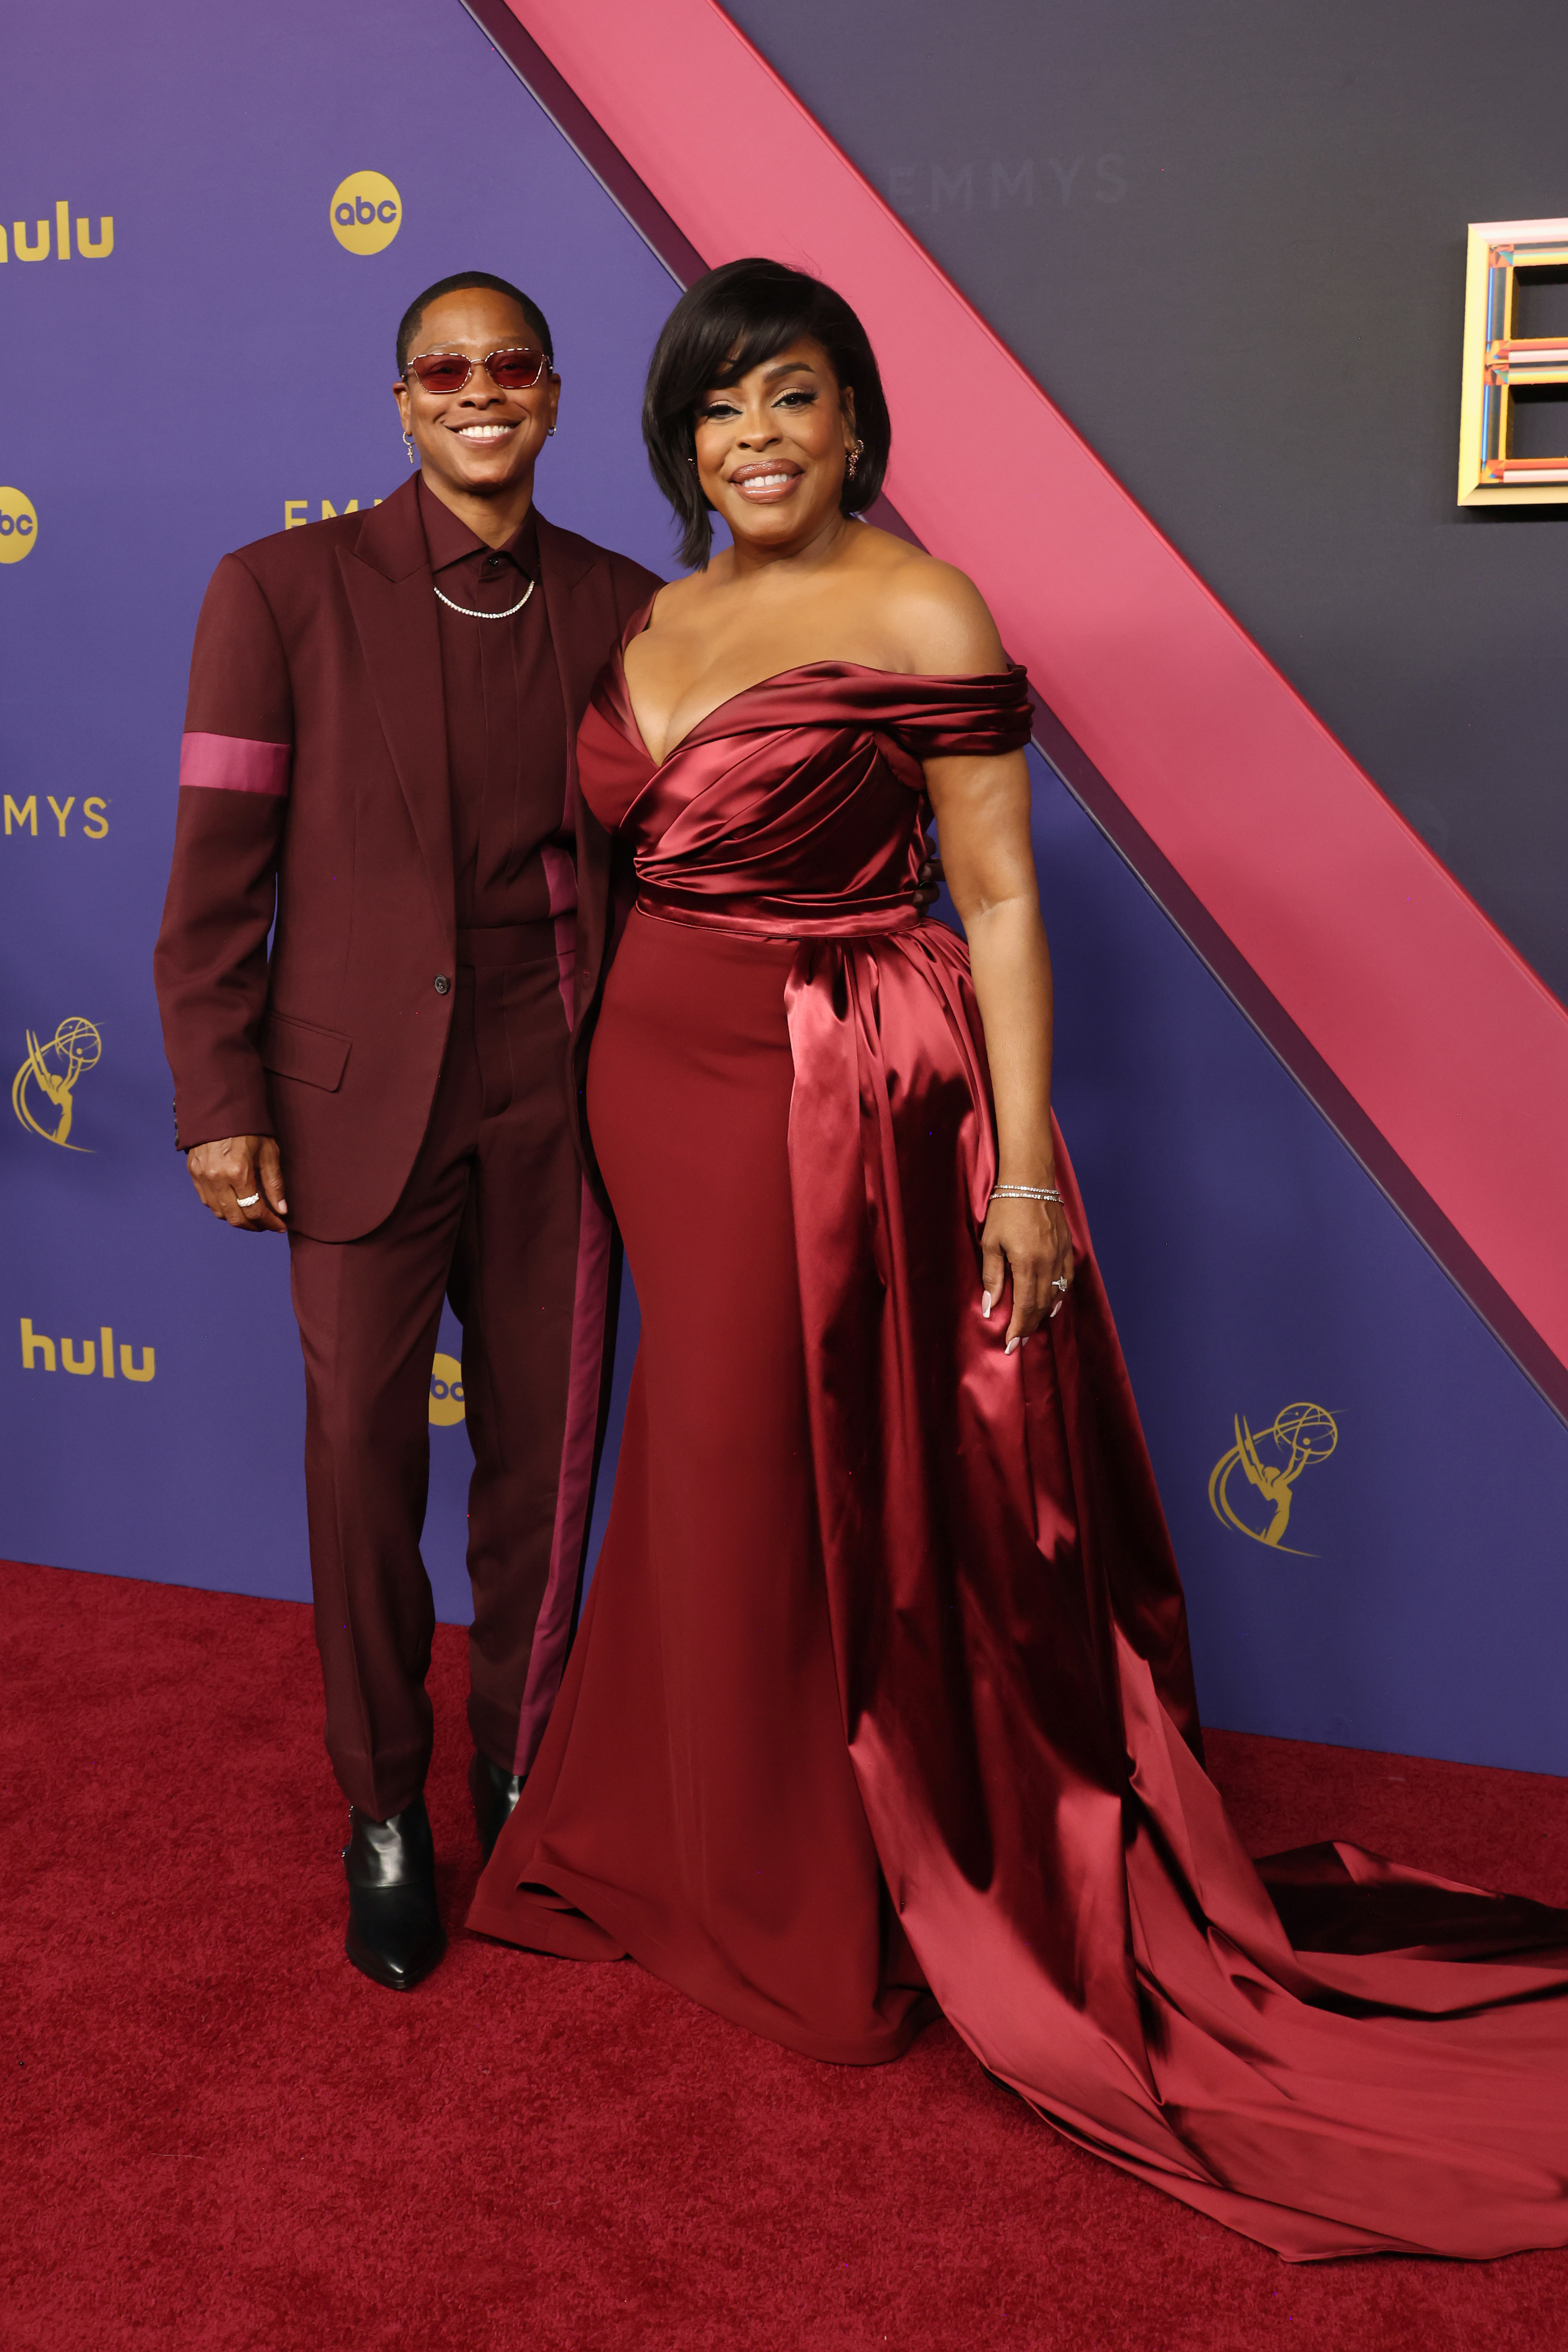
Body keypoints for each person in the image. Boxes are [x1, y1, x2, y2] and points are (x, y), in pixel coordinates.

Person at [468, 258, 1568, 2258]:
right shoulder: (662, 616)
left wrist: (1026, 1170)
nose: (755, 438)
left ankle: (814, 1885)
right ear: (680, 440)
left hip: (828, 1080)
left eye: (791, 397)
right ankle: (671, 1838)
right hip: (657, 1077)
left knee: (794, 1469)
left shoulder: (923, 607)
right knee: (702, 1472)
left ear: (855, 421)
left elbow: (992, 902)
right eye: (717, 407)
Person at [154, 272, 661, 1991]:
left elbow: (670, 871)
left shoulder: (626, 605)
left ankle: (522, 1774)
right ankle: (384, 1811)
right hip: (352, 1099)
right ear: (402, 404)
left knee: (548, 1460)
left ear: (554, 394)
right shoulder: (277, 591)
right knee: (363, 1465)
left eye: (510, 365)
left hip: (566, 1091)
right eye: (445, 370)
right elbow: (214, 884)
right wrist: (220, 1101)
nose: (478, 391)